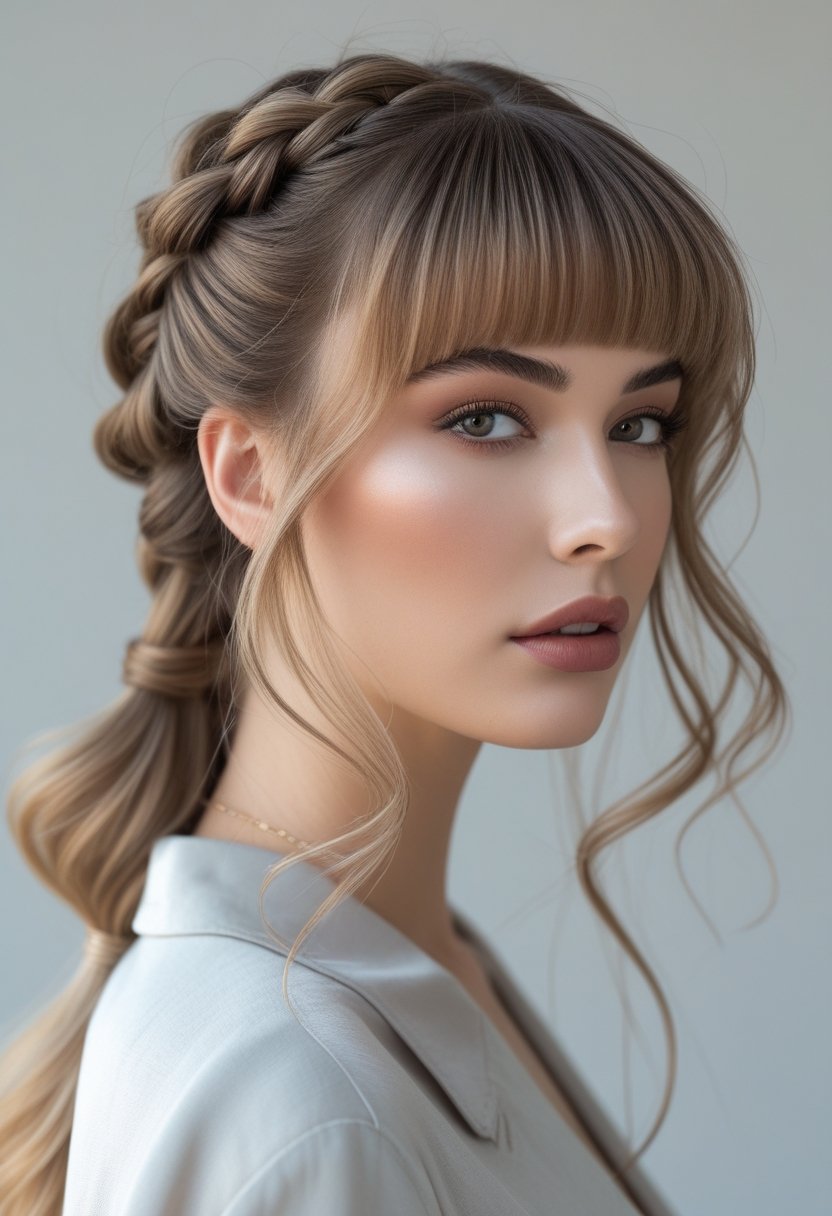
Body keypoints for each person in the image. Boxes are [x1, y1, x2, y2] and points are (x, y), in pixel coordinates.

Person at [0, 49, 789, 1216]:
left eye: (639, 422)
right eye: (485, 417)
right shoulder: (308, 1110)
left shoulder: (408, 974)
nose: (606, 520)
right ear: (253, 474)